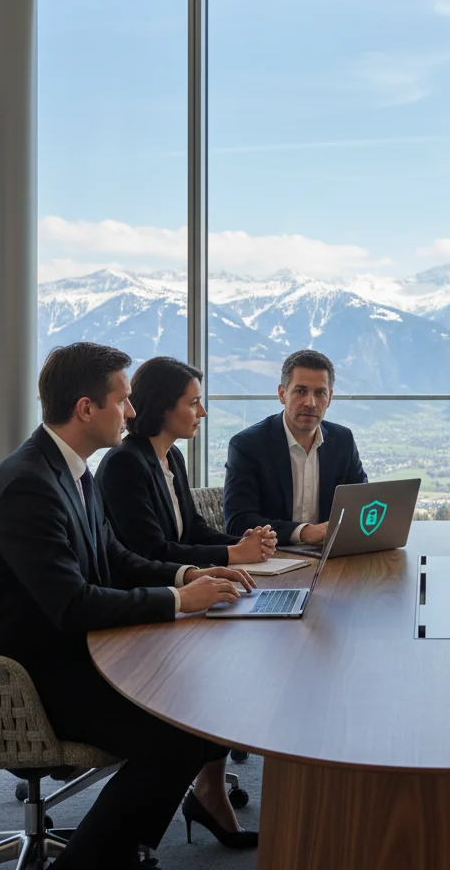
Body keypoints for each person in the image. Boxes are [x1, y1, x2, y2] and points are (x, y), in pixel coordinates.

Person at [0, 343, 255, 870]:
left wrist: (188, 575)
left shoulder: (71, 470)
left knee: (193, 702)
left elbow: (113, 556)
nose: (133, 412)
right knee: (180, 730)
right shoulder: (28, 486)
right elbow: (71, 604)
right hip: (20, 678)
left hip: (64, 649)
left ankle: (120, 849)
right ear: (86, 408)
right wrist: (180, 600)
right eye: (123, 400)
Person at [96, 355, 277, 849]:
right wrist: (228, 556)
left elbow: (191, 530)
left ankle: (209, 788)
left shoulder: (169, 457)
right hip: (142, 607)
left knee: (233, 659)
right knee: (222, 673)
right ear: (162, 406)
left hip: (173, 594)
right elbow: (149, 550)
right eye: (194, 403)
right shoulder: (125, 465)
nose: (202, 412)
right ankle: (205, 791)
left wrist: (241, 546)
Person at [223, 348, 367, 545]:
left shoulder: (343, 440)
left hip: (331, 555)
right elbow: (238, 522)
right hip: (272, 556)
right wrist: (304, 533)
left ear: (330, 398)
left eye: (320, 393)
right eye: (301, 391)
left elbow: (361, 506)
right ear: (282, 394)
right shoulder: (248, 445)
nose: (310, 403)